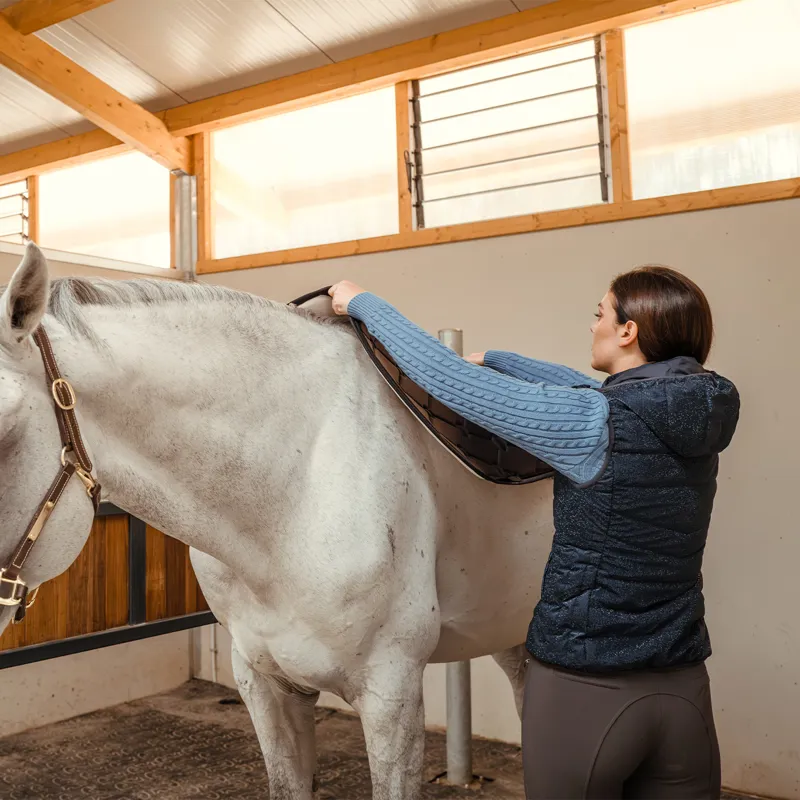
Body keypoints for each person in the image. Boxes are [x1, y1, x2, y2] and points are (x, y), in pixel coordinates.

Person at [328, 265, 740, 800]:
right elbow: (591, 390)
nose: (591, 324)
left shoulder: (594, 424)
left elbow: (451, 383)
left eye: (600, 313)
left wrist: (363, 303)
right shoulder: (694, 409)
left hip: (587, 693)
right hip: (684, 690)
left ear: (628, 331)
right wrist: (501, 359)